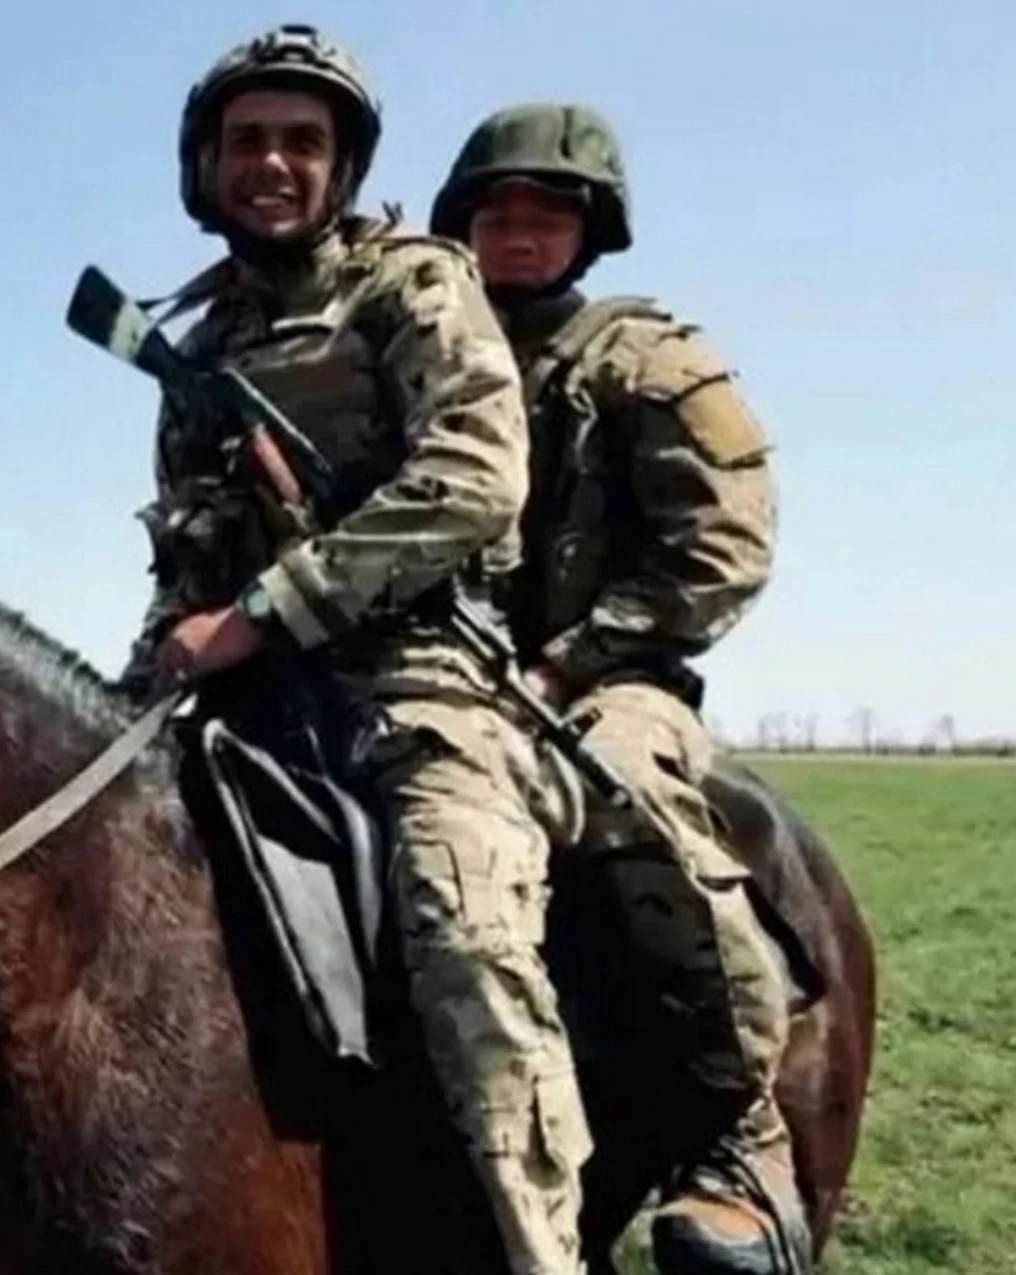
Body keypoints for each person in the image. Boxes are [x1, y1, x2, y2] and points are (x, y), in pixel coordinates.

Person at [117, 25, 591, 1275]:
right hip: (238, 689)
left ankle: (534, 1245)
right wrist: (138, 677)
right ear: (205, 164)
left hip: (419, 680)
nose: (271, 163)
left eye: (301, 141)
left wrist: (268, 610)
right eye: (247, 140)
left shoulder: (415, 284)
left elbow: (474, 481)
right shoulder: (199, 341)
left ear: (341, 165)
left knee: (467, 935)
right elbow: (191, 558)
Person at [428, 102, 805, 1275]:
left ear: (591, 233)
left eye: (548, 214)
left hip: (610, 681)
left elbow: (722, 543)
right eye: (500, 212)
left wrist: (574, 657)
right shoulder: (420, 357)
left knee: (623, 791)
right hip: (437, 676)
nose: (521, 234)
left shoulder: (649, 360)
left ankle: (738, 1134)